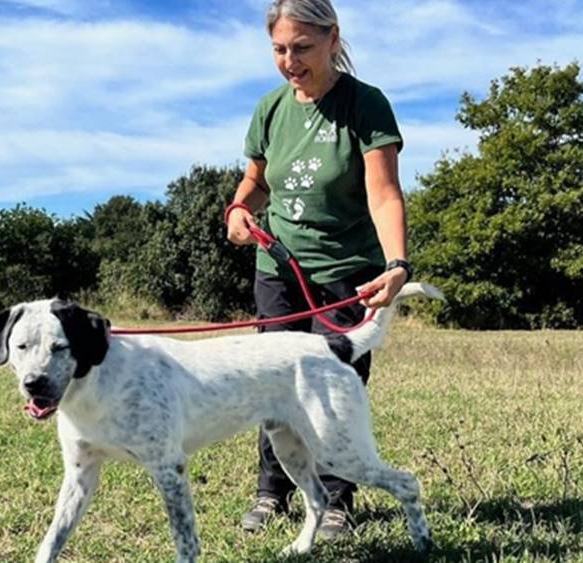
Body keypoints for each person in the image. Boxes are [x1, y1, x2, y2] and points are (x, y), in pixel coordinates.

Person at [225, 0, 412, 539]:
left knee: (333, 387)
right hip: (278, 267)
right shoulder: (270, 108)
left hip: (346, 273)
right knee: (271, 384)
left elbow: (383, 193)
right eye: (280, 49)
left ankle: (335, 499)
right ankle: (271, 492)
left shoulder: (365, 105)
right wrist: (240, 208)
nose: (290, 61)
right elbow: (257, 182)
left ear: (333, 39)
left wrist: (397, 263)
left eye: (302, 47)